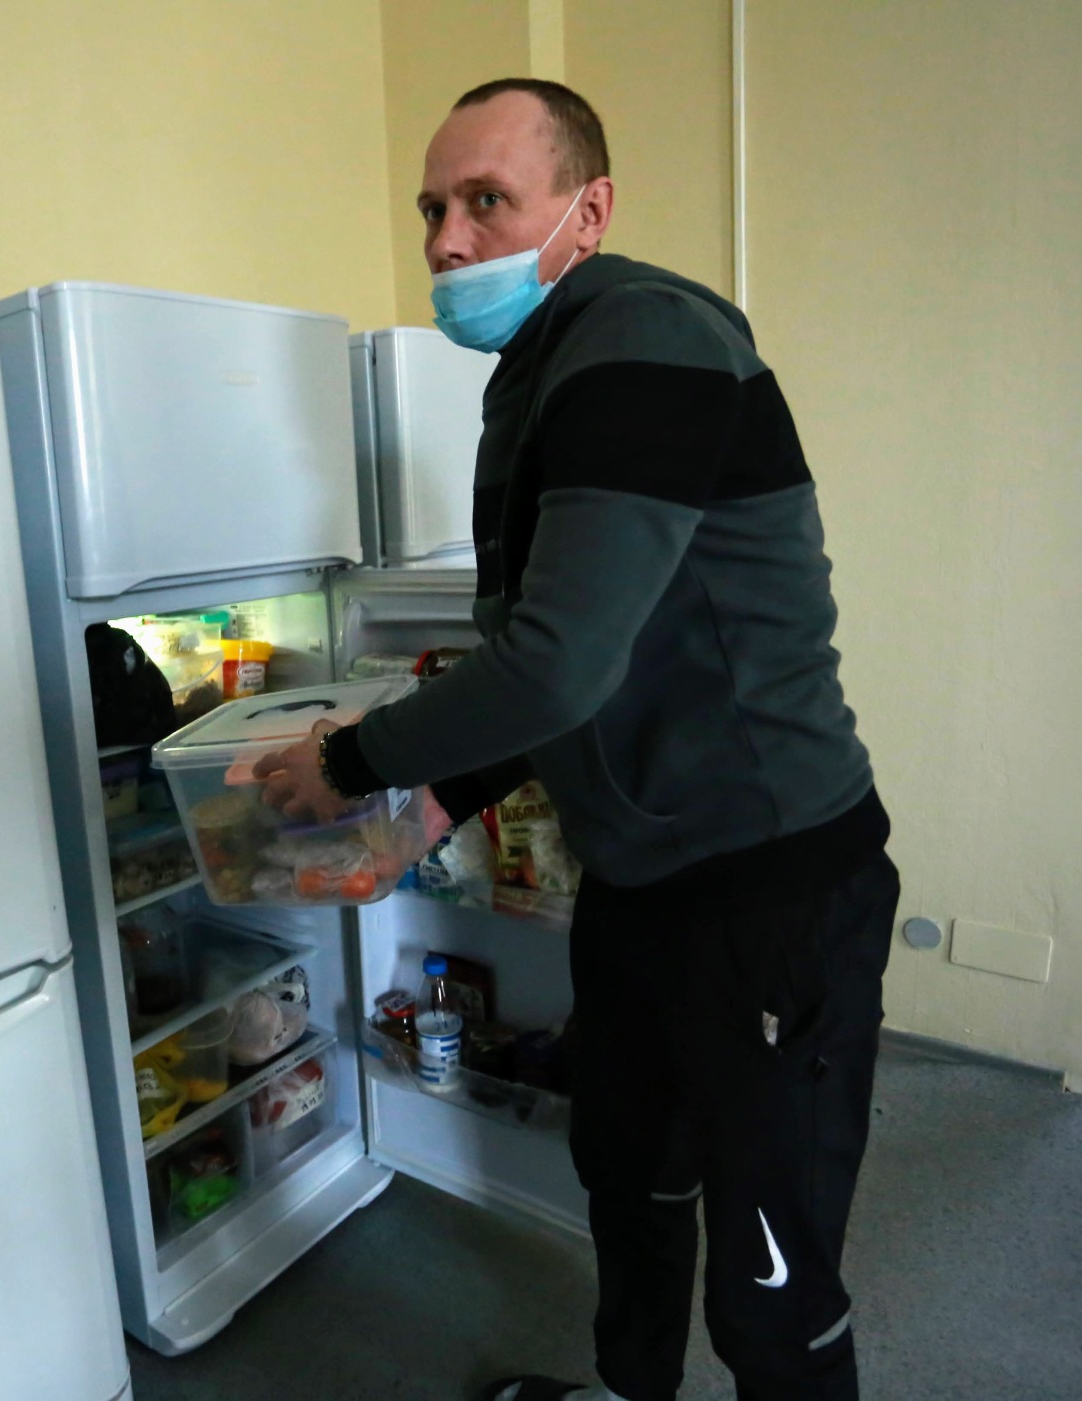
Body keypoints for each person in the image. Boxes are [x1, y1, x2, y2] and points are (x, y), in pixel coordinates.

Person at [253, 79, 898, 1401]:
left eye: (487, 200)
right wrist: (439, 805)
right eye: (433, 208)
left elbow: (557, 661)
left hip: (766, 885)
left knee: (771, 1275)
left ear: (588, 211)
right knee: (629, 1181)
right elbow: (570, 665)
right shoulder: (537, 373)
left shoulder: (645, 335)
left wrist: (359, 762)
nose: (446, 239)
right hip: (641, 883)